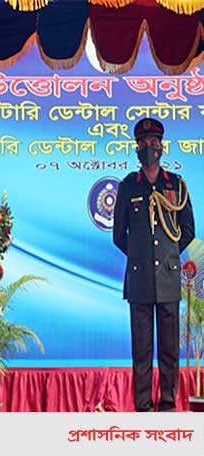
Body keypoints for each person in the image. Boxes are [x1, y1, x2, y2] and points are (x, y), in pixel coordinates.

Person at [113, 118, 195, 412]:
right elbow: (118, 235)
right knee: (142, 350)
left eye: (153, 143)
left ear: (162, 147)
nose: (149, 148)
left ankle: (168, 403)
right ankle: (143, 406)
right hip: (140, 279)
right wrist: (140, 256)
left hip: (169, 278)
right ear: (137, 149)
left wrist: (171, 256)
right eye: (143, 143)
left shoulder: (175, 185)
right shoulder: (127, 186)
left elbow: (188, 230)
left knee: (170, 350)